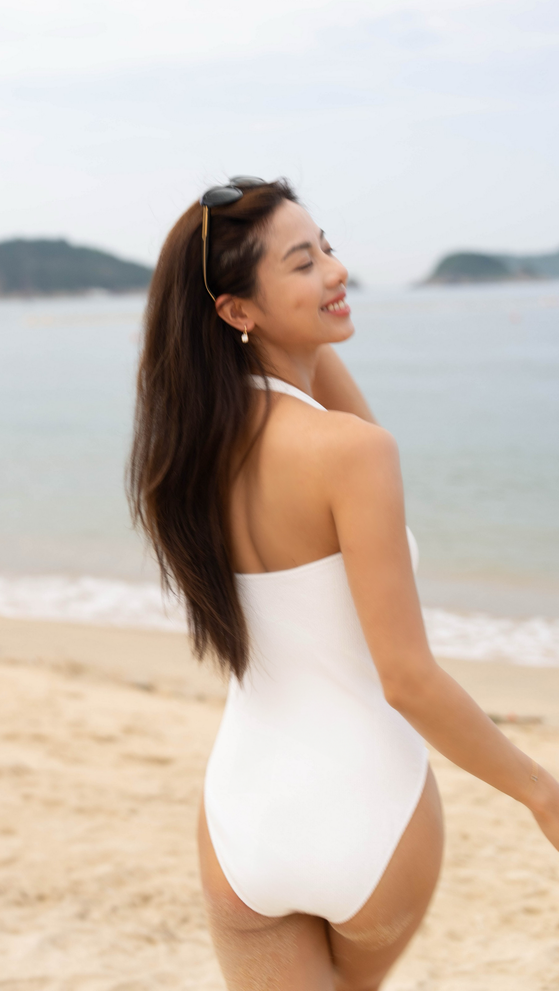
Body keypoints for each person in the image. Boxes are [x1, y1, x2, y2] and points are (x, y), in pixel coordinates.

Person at [129, 178, 559, 990]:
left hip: (242, 819)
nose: (337, 270)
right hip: (372, 812)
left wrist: (293, 327)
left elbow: (325, 403)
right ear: (236, 311)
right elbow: (408, 679)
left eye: (327, 245)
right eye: (305, 262)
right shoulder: (351, 455)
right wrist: (541, 793)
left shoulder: (183, 456)